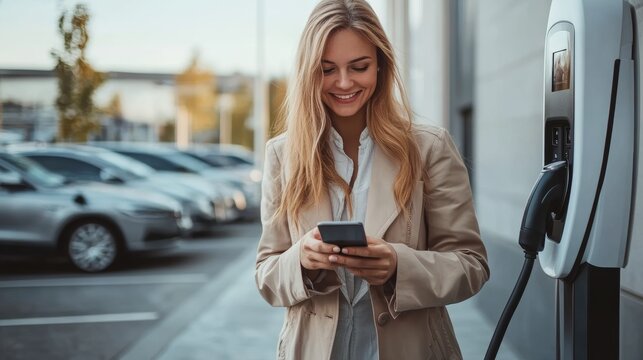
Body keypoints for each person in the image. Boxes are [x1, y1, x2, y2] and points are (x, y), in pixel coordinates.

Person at [255, 0, 489, 359]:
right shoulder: (282, 156)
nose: (344, 82)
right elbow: (267, 275)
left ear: (381, 64)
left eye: (359, 66)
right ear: (307, 72)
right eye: (327, 69)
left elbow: (471, 264)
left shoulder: (429, 147)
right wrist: (301, 259)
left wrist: (398, 265)